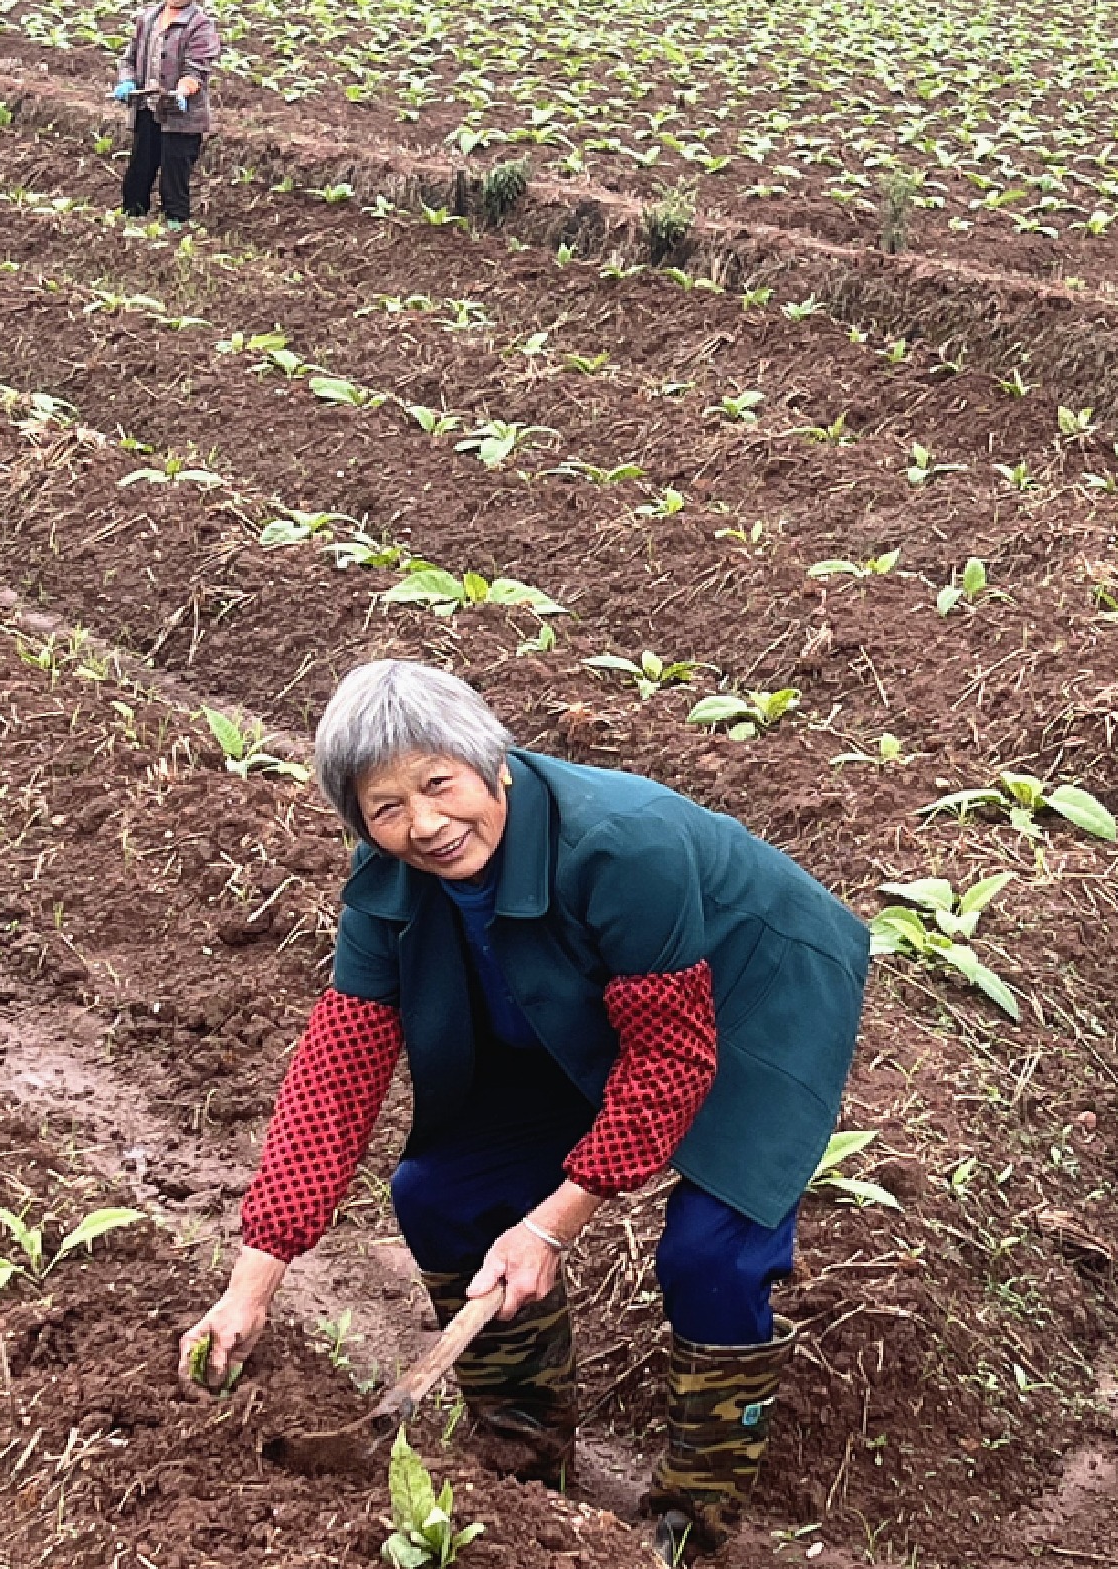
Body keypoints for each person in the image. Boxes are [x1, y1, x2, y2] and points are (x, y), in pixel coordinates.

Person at [179, 660, 874, 1561]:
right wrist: (250, 1287)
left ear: (491, 761)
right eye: (385, 807)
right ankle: (521, 1454)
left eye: (440, 782)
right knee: (441, 1189)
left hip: (753, 993)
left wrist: (550, 1224)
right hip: (572, 998)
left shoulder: (626, 843)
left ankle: (693, 1513)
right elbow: (335, 1075)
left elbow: (667, 1060)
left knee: (711, 1248)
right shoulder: (385, 887)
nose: (424, 824)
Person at [111, 0, 220, 226]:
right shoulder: (147, 18)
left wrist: (182, 92)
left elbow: (197, 70)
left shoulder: (200, 26)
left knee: (175, 170)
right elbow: (129, 58)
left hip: (180, 113)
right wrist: (126, 80)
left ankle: (176, 224)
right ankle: (132, 217)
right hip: (147, 107)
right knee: (140, 167)